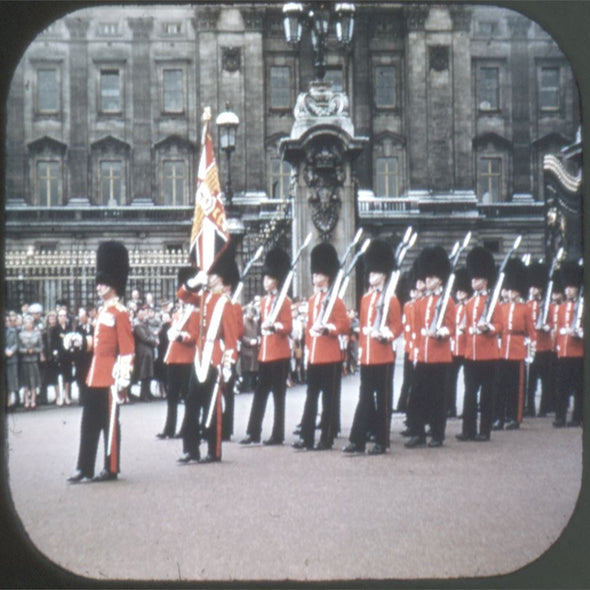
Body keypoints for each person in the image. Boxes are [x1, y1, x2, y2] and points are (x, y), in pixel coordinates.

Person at [67, 241, 134, 483]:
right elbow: (98, 345)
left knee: (109, 422)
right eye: (98, 282)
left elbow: (127, 349)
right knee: (89, 422)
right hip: (95, 374)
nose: (99, 286)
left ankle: (111, 466)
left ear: (114, 284)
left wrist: (124, 378)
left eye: (104, 282)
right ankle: (83, 467)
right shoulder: (103, 312)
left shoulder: (121, 313)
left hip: (111, 375)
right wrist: (80, 343)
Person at [176, 247, 238, 463]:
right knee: (192, 402)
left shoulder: (226, 303)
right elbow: (182, 295)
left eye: (211, 274)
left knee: (213, 404)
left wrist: (229, 364)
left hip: (215, 357)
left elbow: (231, 338)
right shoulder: (203, 296)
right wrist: (193, 281)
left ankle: (214, 449)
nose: (208, 277)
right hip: (199, 356)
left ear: (221, 277)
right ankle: (190, 448)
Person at [343, 239, 402, 455]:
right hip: (367, 356)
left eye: (376, 273)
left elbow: (397, 326)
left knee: (383, 400)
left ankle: (382, 440)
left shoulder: (392, 299)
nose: (371, 277)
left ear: (384, 275)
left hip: (383, 356)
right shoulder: (366, 299)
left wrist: (386, 334)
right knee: (365, 398)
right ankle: (357, 440)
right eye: (370, 273)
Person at [293, 243, 350, 451]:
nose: (315, 277)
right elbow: (308, 329)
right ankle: (306, 437)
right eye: (314, 274)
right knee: (311, 398)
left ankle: (326, 438)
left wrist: (329, 328)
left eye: (318, 274)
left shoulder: (335, 301)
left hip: (331, 357)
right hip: (315, 357)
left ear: (327, 275)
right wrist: (308, 352)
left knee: (328, 400)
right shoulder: (312, 300)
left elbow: (344, 326)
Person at [240, 246, 292, 446]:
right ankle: (253, 432)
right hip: (265, 353)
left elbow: (288, 326)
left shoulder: (284, 302)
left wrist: (275, 326)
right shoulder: (263, 301)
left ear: (277, 280)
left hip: (280, 353)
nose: (265, 281)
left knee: (279, 397)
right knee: (260, 394)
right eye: (265, 278)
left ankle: (277, 434)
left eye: (269, 278)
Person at [405, 246, 455, 448]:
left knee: (437, 398)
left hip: (439, 356)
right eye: (427, 277)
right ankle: (417, 432)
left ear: (440, 279)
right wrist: (416, 352)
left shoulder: (447, 301)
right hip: (423, 356)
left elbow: (451, 326)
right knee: (416, 396)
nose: (428, 281)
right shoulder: (421, 302)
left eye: (432, 278)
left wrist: (440, 333)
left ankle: (437, 434)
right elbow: (417, 331)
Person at [456, 246, 501, 442]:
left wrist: (488, 328)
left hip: (488, 354)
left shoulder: (493, 302)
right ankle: (468, 429)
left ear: (485, 280)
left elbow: (499, 326)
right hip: (470, 354)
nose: (474, 281)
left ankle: (485, 430)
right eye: (473, 278)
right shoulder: (468, 303)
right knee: (469, 394)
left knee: (487, 396)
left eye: (478, 278)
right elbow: (464, 327)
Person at [492, 258, 535, 430]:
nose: (509, 292)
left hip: (517, 350)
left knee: (515, 387)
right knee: (500, 385)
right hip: (502, 350)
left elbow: (531, 332)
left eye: (512, 289)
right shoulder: (501, 307)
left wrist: (531, 352)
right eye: (508, 289)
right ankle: (499, 416)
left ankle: (513, 417)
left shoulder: (525, 308)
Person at [157, 268, 198, 439]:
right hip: (173, 357)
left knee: (187, 397)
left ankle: (185, 428)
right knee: (172, 396)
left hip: (187, 359)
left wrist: (180, 336)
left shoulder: (194, 312)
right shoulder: (177, 313)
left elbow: (194, 336)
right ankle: (169, 428)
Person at [552, 259, 583, 428]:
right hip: (563, 352)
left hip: (578, 352)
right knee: (561, 387)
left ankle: (577, 416)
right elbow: (558, 328)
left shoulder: (584, 306)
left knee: (579, 387)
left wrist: (579, 333)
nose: (568, 290)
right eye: (567, 287)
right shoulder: (562, 307)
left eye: (571, 287)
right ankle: (560, 416)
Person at [525, 261, 554, 417]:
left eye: (536, 288)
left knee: (545, 380)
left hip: (545, 345)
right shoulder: (527, 305)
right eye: (532, 287)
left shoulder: (546, 305)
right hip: (532, 347)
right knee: (531, 381)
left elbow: (551, 322)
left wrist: (546, 327)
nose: (533, 290)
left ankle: (543, 408)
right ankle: (530, 408)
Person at [446, 267, 471, 418]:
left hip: (467, 347)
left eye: (462, 291)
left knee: (469, 382)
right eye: (458, 291)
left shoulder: (470, 307)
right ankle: (450, 407)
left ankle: (467, 410)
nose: (459, 294)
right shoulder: (454, 307)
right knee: (450, 380)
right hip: (454, 348)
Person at [63, 307, 94, 406]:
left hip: (90, 357)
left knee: (90, 377)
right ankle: (82, 397)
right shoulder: (77, 329)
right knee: (80, 377)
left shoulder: (93, 328)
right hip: (80, 358)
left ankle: (90, 398)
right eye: (80, 317)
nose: (81, 319)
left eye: (83, 317)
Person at [133, 306, 159, 401]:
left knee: (148, 373)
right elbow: (144, 338)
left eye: (144, 314)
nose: (143, 315)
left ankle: (147, 392)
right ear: (137, 315)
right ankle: (144, 394)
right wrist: (154, 341)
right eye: (141, 314)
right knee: (144, 373)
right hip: (143, 350)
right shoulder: (138, 325)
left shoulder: (143, 324)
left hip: (147, 350)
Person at [18, 315, 43, 410]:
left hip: (34, 360)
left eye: (30, 323)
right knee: (25, 382)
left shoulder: (37, 334)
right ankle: (26, 401)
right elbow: (19, 348)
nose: (28, 324)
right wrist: (26, 351)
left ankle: (33, 400)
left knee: (33, 381)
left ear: (32, 324)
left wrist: (35, 350)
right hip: (25, 360)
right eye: (26, 323)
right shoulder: (20, 335)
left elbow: (41, 347)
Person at [240, 305, 260, 393]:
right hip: (245, 348)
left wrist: (258, 339)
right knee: (246, 368)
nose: (252, 317)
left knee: (254, 368)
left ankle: (252, 385)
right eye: (251, 315)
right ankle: (245, 386)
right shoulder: (242, 322)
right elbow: (240, 336)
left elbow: (258, 333)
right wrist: (248, 341)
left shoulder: (255, 323)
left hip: (254, 348)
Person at [5, 312, 20, 409]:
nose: (6, 322)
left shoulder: (13, 331)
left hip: (11, 358)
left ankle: (10, 401)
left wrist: (11, 350)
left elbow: (17, 343)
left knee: (11, 381)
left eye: (7, 320)